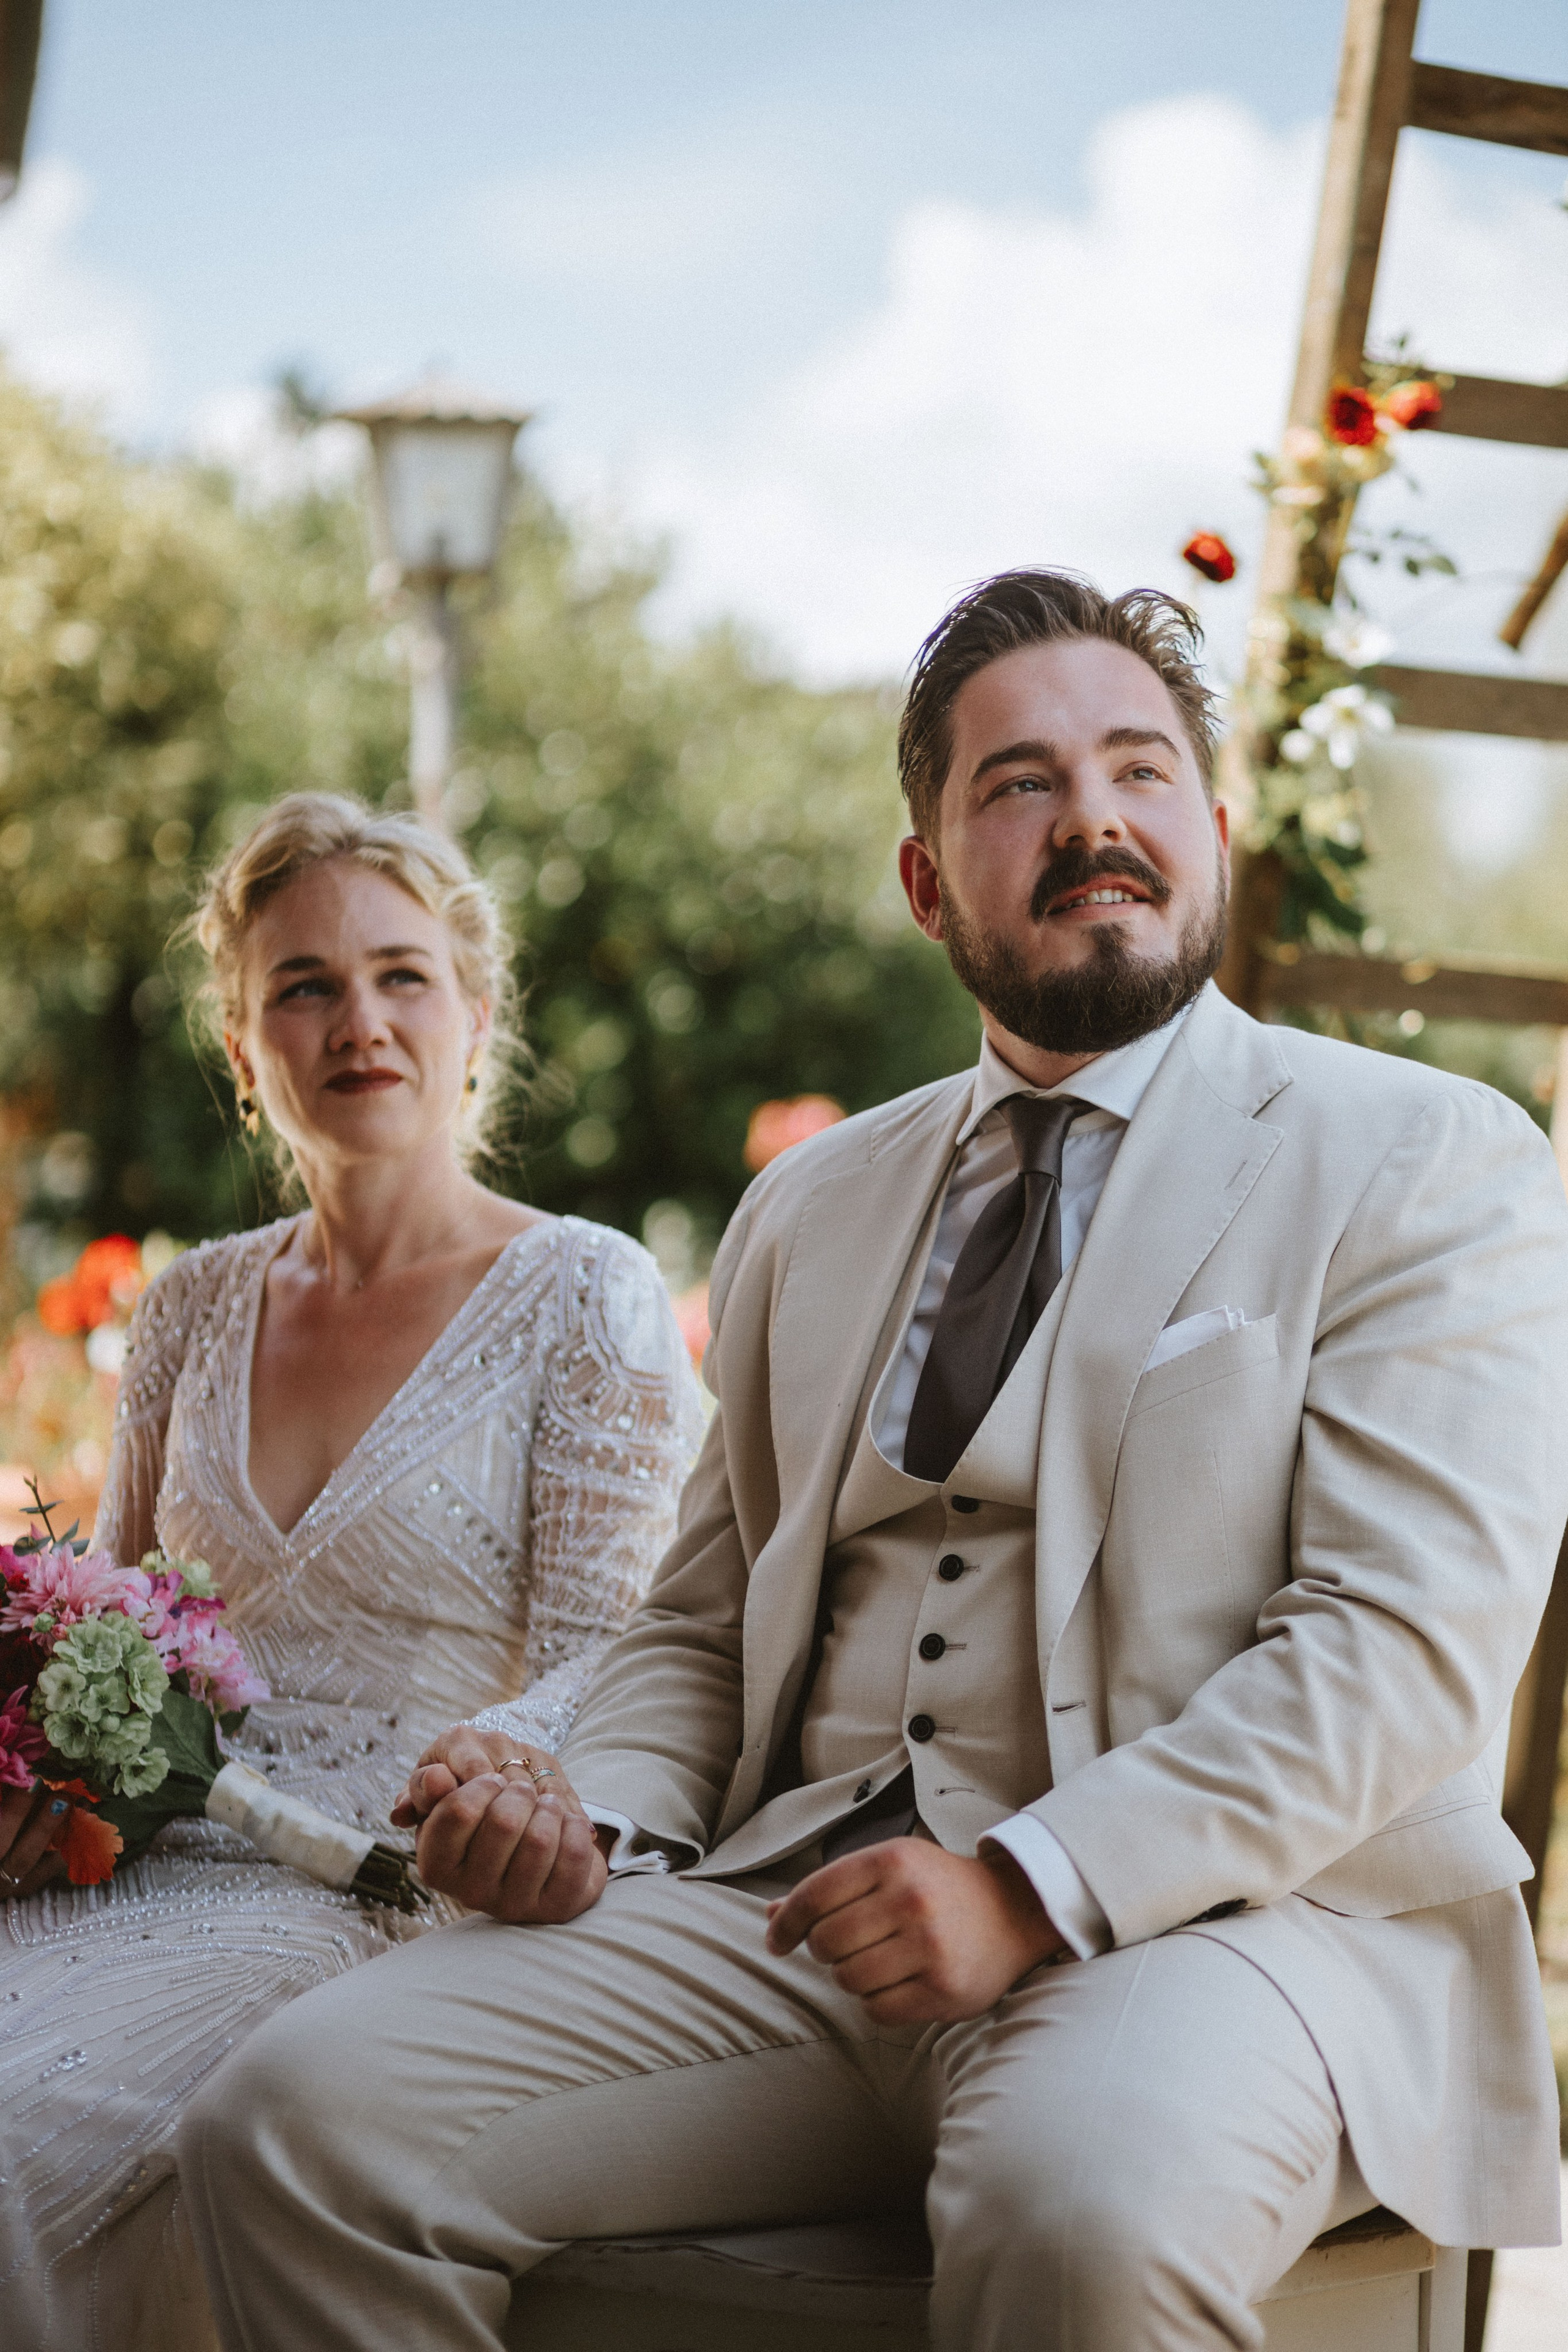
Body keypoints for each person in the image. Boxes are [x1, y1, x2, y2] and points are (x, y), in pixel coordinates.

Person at [178, 578, 1568, 2352]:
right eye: (1020, 786)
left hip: (1236, 1931)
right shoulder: (815, 1205)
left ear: (1211, 835)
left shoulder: (1421, 1156)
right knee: (292, 2128)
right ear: (927, 882)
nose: (1093, 822)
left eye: (1141, 773)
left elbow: (1400, 1647)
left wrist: (1025, 1887)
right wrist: (594, 1817)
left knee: (1080, 2219)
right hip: (792, 1917)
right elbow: (696, 1625)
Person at [0, 793, 702, 2352]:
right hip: (135, 1872)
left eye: (398, 975)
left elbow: (624, 1651)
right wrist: (40, 1780)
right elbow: (106, 1620)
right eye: (301, 987)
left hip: (382, 1894)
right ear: (245, 1053)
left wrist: (506, 1776)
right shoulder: (188, 1306)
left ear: (475, 1014)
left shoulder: (582, 1290)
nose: (356, 1021)